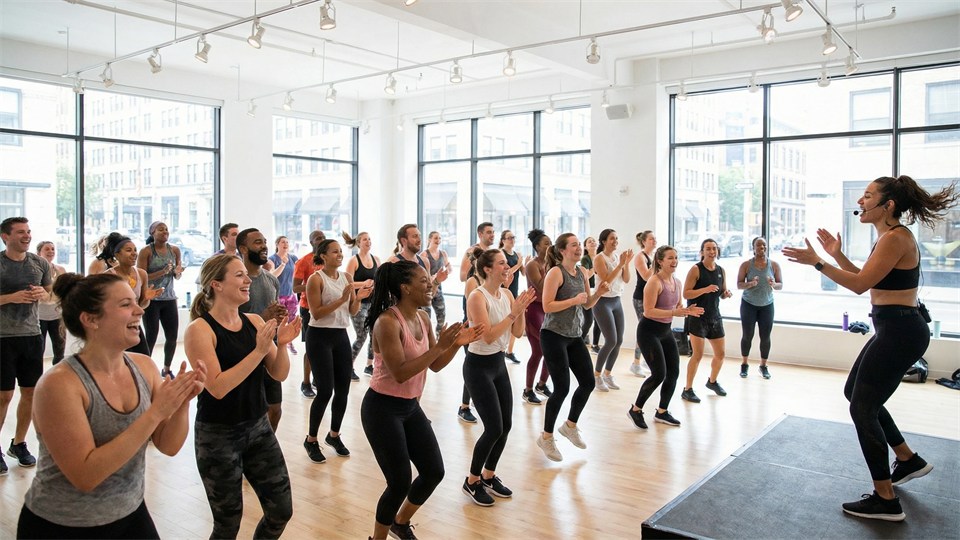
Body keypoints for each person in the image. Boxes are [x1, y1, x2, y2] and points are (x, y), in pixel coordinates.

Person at [783, 175, 957, 521]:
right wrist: (837, 255)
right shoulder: (890, 238)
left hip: (901, 331)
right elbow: (869, 278)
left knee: (863, 408)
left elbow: (861, 285)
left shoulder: (895, 238)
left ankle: (885, 498)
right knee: (856, 394)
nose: (860, 202)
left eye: (867, 196)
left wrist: (817, 262)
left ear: (888, 205)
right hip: (895, 328)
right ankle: (907, 459)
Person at [17, 272, 205, 539]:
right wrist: (156, 412)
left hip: (130, 512)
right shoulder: (59, 384)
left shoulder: (144, 367)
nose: (140, 309)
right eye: (126, 304)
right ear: (91, 319)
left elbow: (169, 445)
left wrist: (181, 403)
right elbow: (85, 475)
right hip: (63, 525)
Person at [361, 260, 482, 540]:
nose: (430, 285)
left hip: (410, 406)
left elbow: (436, 364)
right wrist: (441, 344)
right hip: (382, 409)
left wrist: (454, 345)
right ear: (405, 288)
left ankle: (400, 523)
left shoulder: (423, 318)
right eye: (424, 281)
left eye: (429, 280)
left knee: (433, 471)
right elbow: (400, 373)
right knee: (399, 482)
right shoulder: (387, 322)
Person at [184, 254, 299, 539]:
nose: (248, 280)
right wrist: (259, 351)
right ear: (216, 285)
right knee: (228, 524)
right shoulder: (199, 330)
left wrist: (280, 345)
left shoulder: (254, 320)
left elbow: (279, 373)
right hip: (218, 436)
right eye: (238, 275)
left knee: (280, 511)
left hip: (258, 429)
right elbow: (218, 387)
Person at [462, 249, 535, 506]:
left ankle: (488, 475)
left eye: (507, 263)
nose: (508, 267)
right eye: (502, 263)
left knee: (506, 425)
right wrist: (514, 312)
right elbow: (489, 336)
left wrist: (520, 308)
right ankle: (471, 481)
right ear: (487, 269)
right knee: (493, 427)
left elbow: (518, 331)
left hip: (498, 364)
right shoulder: (476, 297)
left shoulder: (506, 294)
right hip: (478, 366)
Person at [535, 233, 609, 462]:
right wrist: (572, 300)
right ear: (562, 251)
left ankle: (569, 426)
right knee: (562, 388)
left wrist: (598, 293)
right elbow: (547, 306)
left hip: (574, 335)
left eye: (579, 245)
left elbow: (586, 302)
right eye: (574, 245)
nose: (578, 249)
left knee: (587, 382)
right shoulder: (555, 273)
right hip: (553, 335)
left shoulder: (581, 272)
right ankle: (546, 437)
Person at [303, 239, 371, 463]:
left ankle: (334, 435)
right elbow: (317, 313)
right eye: (335, 252)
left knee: (343, 389)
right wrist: (342, 299)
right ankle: (311, 439)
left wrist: (357, 299)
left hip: (340, 335)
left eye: (341, 251)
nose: (340, 255)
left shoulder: (347, 278)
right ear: (323, 256)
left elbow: (351, 310)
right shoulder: (316, 279)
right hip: (319, 337)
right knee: (325, 390)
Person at [628, 246, 704, 430]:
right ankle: (636, 409)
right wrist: (675, 311)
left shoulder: (676, 282)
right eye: (670, 258)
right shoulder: (654, 281)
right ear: (660, 261)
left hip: (665, 331)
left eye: (676, 257)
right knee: (658, 374)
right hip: (649, 331)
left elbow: (677, 305)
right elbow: (648, 310)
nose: (674, 261)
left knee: (674, 372)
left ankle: (662, 412)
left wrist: (686, 311)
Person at [0, 217, 52, 473]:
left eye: (29, 231)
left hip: (31, 335)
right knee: (3, 396)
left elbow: (50, 292)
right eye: (20, 232)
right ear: (5, 237)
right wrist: (11, 297)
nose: (27, 236)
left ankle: (19, 443)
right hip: (2, 338)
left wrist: (44, 294)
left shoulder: (39, 263)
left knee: (30, 393)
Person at [237, 228, 287, 432]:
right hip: (243, 352)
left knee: (275, 409)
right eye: (258, 242)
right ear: (243, 248)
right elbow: (228, 318)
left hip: (270, 350)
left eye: (265, 241)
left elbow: (271, 312)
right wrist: (263, 317)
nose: (264, 246)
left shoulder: (271, 279)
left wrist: (278, 316)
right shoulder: (235, 280)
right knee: (247, 410)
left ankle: (266, 448)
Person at [680, 238, 732, 403]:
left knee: (721, 354)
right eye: (708, 248)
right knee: (698, 355)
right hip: (697, 317)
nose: (712, 251)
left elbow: (721, 293)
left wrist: (726, 294)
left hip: (714, 317)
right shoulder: (696, 270)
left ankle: (712, 382)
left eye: (714, 248)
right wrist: (705, 290)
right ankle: (687, 389)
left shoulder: (721, 270)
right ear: (702, 252)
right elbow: (686, 294)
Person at [103, 235, 162, 357]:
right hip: (115, 326)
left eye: (135, 250)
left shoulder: (141, 274)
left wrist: (146, 297)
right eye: (128, 250)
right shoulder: (109, 276)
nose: (134, 253)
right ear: (117, 255)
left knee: (144, 358)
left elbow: (141, 305)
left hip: (133, 324)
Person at [137, 221, 183, 377]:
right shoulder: (146, 252)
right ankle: (144, 368)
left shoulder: (175, 250)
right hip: (152, 299)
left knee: (172, 336)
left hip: (169, 298)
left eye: (167, 229)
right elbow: (141, 276)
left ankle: (167, 368)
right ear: (152, 233)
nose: (165, 232)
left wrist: (177, 272)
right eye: (160, 229)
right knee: (151, 335)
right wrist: (162, 272)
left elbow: (177, 275)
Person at [591, 229, 633, 391]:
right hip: (602, 302)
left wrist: (626, 264)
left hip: (616, 301)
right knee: (611, 340)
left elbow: (626, 279)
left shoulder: (617, 258)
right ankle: (597, 375)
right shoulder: (599, 258)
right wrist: (621, 264)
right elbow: (606, 281)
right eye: (612, 239)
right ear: (604, 241)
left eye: (616, 238)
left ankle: (607, 374)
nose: (615, 241)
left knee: (619, 340)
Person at [737, 237, 782, 379]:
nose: (761, 248)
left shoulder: (774, 265)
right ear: (753, 248)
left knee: (765, 337)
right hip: (748, 304)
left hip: (767, 305)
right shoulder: (746, 265)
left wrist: (774, 284)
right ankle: (744, 365)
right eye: (758, 245)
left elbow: (780, 285)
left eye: (764, 245)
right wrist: (750, 284)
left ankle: (763, 366)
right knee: (747, 335)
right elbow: (739, 284)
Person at [521, 229, 553, 406]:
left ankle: (542, 384)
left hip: (548, 309)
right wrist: (551, 271)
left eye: (550, 243)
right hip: (534, 310)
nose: (550, 246)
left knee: (550, 350)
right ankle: (528, 390)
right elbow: (542, 287)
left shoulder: (550, 263)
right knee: (539, 351)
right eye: (546, 243)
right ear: (537, 247)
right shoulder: (532, 265)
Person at [293, 230, 325, 398]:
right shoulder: (304, 261)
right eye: (318, 238)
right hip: (308, 308)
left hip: (326, 308)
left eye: (323, 238)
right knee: (312, 348)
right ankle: (305, 382)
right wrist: (315, 285)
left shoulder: (328, 260)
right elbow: (295, 287)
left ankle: (316, 379)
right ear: (311, 242)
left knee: (322, 347)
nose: (321, 240)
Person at [344, 232, 378, 378]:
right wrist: (363, 284)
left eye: (369, 239)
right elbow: (347, 283)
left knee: (374, 334)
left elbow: (379, 279)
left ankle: (369, 365)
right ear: (359, 243)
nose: (368, 241)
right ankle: (348, 366)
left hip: (373, 303)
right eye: (365, 239)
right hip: (358, 303)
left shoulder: (376, 259)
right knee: (361, 336)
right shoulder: (354, 261)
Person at [630, 230, 657, 377]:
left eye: (655, 239)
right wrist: (656, 262)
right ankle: (636, 363)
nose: (654, 241)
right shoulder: (640, 257)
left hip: (651, 297)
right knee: (644, 331)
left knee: (651, 331)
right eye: (651, 239)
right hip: (640, 298)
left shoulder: (651, 256)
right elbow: (646, 277)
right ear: (644, 241)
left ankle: (646, 359)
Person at [36, 241, 66, 365]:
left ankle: (59, 376)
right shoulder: (35, 271)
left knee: (59, 349)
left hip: (57, 315)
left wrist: (50, 296)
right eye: (47, 249)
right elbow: (41, 296)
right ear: (39, 253)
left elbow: (63, 291)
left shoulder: (60, 269)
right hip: (39, 316)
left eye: (53, 249)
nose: (51, 251)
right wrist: (50, 296)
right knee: (39, 350)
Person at [268, 235, 299, 355]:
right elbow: (272, 276)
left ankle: (289, 342)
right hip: (277, 295)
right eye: (282, 242)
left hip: (290, 295)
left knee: (291, 320)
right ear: (277, 245)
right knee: (279, 321)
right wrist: (282, 264)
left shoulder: (293, 258)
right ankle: (278, 344)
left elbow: (298, 274)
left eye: (287, 242)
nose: (285, 244)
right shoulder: (272, 259)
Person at [499, 230, 526, 364]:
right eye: (509, 238)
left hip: (513, 291)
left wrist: (525, 263)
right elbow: (506, 272)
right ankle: (502, 349)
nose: (512, 240)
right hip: (503, 290)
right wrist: (518, 264)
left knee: (514, 320)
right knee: (505, 320)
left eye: (513, 237)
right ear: (503, 240)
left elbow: (524, 273)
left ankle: (509, 351)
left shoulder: (517, 255)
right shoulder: (501, 254)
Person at [423, 231, 452, 338]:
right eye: (435, 238)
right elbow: (421, 275)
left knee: (442, 316)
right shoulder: (424, 255)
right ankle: (426, 342)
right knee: (426, 318)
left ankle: (439, 339)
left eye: (439, 238)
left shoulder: (443, 253)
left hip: (438, 290)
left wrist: (447, 271)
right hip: (426, 291)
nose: (438, 240)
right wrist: (433, 277)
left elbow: (449, 268)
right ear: (429, 239)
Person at [579, 236, 601, 354]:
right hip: (589, 291)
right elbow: (586, 275)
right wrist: (595, 267)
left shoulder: (601, 257)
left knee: (598, 320)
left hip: (599, 291)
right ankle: (580, 341)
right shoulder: (585, 259)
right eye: (589, 241)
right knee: (588, 320)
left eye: (594, 241)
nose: (592, 243)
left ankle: (595, 345)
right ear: (586, 247)